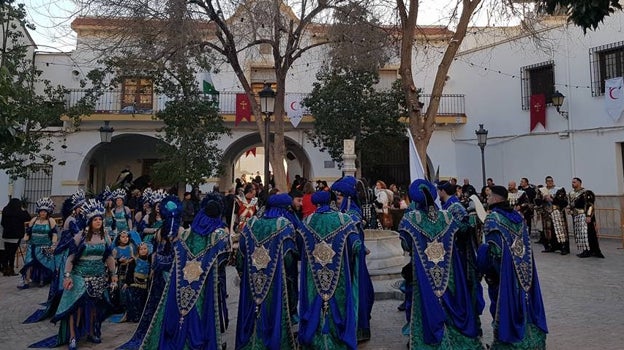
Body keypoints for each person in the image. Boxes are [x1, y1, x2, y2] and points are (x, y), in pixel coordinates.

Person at [398, 179, 483, 349]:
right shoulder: (447, 216)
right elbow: (460, 233)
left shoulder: (410, 218)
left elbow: (406, 245)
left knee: (427, 301)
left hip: (423, 271)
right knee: (449, 299)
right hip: (448, 270)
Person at [139, 193, 230, 350]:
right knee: (202, 309)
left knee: (184, 307)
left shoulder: (186, 234)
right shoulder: (219, 236)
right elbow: (225, 259)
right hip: (205, 283)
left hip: (184, 280)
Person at [30, 199, 117, 350]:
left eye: (100, 219)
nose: (98, 222)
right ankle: (72, 337)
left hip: (98, 277)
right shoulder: (80, 236)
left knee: (94, 307)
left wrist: (113, 273)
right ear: (89, 221)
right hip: (79, 277)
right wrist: (67, 276)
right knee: (74, 308)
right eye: (95, 219)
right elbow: (70, 258)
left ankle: (90, 332)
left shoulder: (106, 237)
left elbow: (109, 257)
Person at [477, 186, 548, 349]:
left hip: (503, 273)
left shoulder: (493, 219)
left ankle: (506, 342)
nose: (487, 199)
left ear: (495, 199)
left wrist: (486, 270)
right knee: (523, 302)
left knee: (502, 305)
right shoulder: (517, 216)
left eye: (489, 197)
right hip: (523, 269)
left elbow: (493, 250)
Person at [116, 195, 184, 350]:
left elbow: (156, 254)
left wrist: (155, 266)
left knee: (159, 305)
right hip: (171, 275)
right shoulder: (179, 232)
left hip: (162, 274)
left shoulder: (164, 232)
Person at [297, 190, 361, 349]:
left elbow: (300, 247)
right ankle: (338, 340)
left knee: (315, 302)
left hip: (314, 275)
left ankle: (316, 339)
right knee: (338, 304)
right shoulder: (343, 219)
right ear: (331, 201)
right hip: (338, 274)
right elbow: (355, 244)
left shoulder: (307, 221)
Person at [235, 193, 298, 349]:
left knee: (253, 310)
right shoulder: (284, 226)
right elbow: (289, 258)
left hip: (252, 279)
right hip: (275, 279)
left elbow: (240, 255)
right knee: (273, 311)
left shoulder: (251, 225)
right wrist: (289, 278)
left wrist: (244, 274)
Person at [331, 176, 375, 342]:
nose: (337, 200)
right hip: (346, 261)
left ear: (348, 198)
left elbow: (354, 239)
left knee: (358, 291)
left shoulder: (353, 214)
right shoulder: (344, 213)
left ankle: (357, 327)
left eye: (340, 197)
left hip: (353, 263)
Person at [19, 197, 58, 289]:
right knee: (28, 263)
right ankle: (26, 281)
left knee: (43, 264)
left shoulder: (51, 221)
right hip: (32, 246)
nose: (42, 213)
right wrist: (25, 242)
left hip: (45, 246)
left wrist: (53, 244)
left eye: (45, 211)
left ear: (48, 212)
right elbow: (28, 231)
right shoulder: (34, 220)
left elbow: (54, 234)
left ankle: (42, 280)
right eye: (41, 211)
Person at [568, 177, 604, 258]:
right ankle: (585, 250)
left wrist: (588, 216)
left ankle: (590, 250)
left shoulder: (586, 193)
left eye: (574, 182)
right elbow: (571, 204)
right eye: (572, 182)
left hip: (584, 215)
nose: (572, 184)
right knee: (580, 234)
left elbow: (590, 205)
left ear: (579, 183)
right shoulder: (571, 193)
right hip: (576, 216)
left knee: (587, 233)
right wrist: (570, 210)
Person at [534, 176, 569, 255]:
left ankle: (563, 247)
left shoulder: (559, 189)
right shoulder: (541, 190)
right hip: (546, 212)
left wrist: (552, 199)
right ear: (545, 182)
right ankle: (550, 246)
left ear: (553, 181)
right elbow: (537, 201)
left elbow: (564, 201)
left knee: (559, 229)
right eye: (548, 181)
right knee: (548, 230)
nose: (550, 182)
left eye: (551, 181)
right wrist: (543, 198)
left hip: (557, 211)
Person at [120, 242, 151, 322]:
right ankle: (131, 316)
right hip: (134, 284)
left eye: (145, 249)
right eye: (141, 249)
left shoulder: (150, 261)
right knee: (132, 298)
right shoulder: (134, 261)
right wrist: (127, 283)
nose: (143, 251)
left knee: (142, 301)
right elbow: (130, 273)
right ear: (138, 251)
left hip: (144, 286)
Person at [1, 198, 31, 276]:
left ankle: (5, 269)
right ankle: (11, 269)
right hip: (16, 236)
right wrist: (23, 209)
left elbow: (2, 223)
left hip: (6, 235)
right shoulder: (19, 211)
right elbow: (28, 217)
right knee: (12, 254)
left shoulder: (5, 210)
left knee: (6, 253)